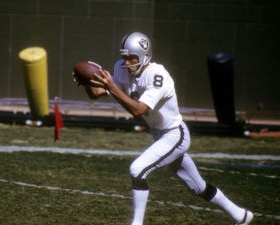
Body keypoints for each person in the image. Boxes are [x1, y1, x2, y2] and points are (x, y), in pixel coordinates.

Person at [76, 32, 253, 225]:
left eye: (132, 58)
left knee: (137, 169)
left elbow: (138, 110)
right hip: (159, 135)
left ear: (145, 56)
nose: (127, 63)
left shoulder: (158, 75)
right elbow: (97, 93)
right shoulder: (121, 68)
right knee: (198, 187)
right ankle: (241, 216)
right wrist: (87, 82)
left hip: (175, 134)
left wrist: (113, 87)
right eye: (125, 57)